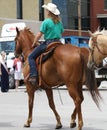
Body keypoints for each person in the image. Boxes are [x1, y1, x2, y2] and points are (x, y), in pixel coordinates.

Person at [28, 3, 64, 84]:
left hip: (49, 43)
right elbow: (61, 31)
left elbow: (39, 34)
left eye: (47, 10)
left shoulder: (46, 22)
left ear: (49, 12)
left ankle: (33, 75)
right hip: (58, 42)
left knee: (30, 57)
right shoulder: (59, 22)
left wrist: (34, 43)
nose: (46, 11)